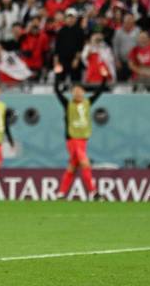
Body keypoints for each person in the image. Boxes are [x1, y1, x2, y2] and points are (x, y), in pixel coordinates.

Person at [54, 63, 108, 200]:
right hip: (72, 140)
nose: (78, 93)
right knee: (85, 163)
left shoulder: (88, 102)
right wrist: (57, 75)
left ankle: (60, 194)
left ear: (84, 93)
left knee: (72, 167)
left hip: (83, 140)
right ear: (72, 93)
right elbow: (56, 91)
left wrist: (104, 77)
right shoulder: (67, 104)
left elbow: (100, 91)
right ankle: (93, 193)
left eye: (80, 91)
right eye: (75, 91)